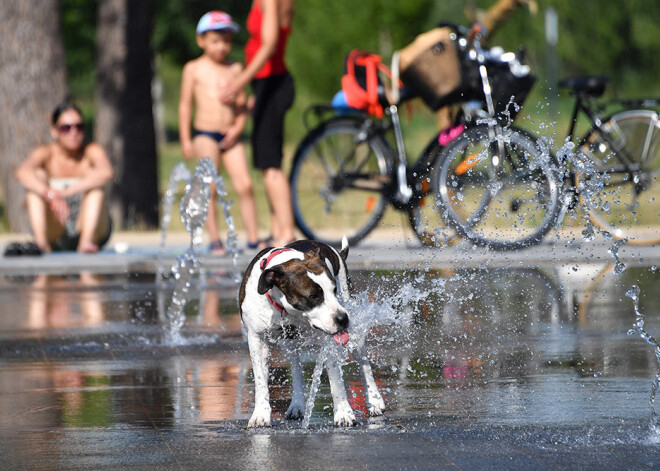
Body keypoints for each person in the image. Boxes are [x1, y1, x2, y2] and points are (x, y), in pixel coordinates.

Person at [179, 11, 262, 255]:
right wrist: (185, 138)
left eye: (226, 41)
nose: (222, 47)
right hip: (205, 133)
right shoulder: (193, 69)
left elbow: (242, 105)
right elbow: (185, 105)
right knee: (210, 187)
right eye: (215, 41)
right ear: (201, 40)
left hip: (231, 135)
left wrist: (238, 127)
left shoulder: (235, 69)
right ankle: (215, 239)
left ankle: (254, 239)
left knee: (245, 185)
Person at [221, 0, 296, 247]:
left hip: (273, 83)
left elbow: (270, 44)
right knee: (268, 163)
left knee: (271, 165)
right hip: (267, 85)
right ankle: (278, 231)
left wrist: (240, 81)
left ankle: (286, 233)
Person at [15, 102, 113, 253]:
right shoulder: (46, 153)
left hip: (93, 231)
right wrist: (48, 193)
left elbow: (106, 173)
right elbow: (22, 172)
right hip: (55, 231)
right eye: (66, 128)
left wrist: (67, 192)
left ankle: (86, 242)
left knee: (95, 179)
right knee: (37, 177)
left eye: (78, 127)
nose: (73, 132)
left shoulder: (91, 151)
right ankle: (41, 243)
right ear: (54, 131)